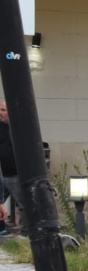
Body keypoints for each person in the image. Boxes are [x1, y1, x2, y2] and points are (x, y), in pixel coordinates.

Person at [0, 100, 26, 234]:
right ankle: (1, 228)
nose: (0, 113)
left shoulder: (19, 128)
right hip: (2, 173)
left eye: (3, 110)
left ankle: (25, 231)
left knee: (23, 204)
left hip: (15, 173)